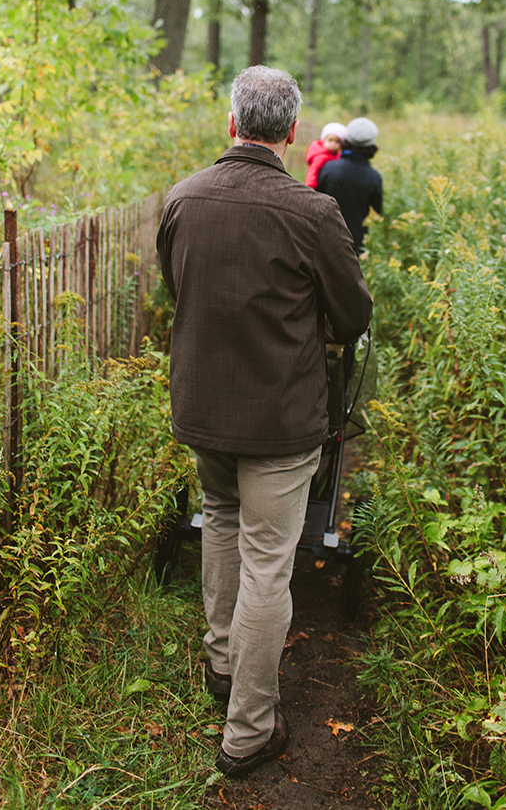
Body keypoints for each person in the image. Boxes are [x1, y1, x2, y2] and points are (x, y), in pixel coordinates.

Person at [156, 65, 373, 778]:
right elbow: (352, 315)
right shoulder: (312, 216)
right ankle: (248, 727)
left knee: (219, 518)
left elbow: (179, 290)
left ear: (232, 124)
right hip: (279, 419)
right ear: (291, 132)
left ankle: (223, 664)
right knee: (268, 564)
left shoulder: (183, 199)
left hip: (204, 407)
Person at [317, 117, 383, 254]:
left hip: (323, 239)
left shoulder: (328, 168)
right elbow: (377, 215)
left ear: (345, 141)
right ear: (371, 146)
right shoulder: (374, 177)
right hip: (356, 244)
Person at [303, 121, 347, 188]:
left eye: (337, 141)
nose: (333, 144)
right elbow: (312, 172)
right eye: (330, 140)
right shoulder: (320, 156)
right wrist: (310, 187)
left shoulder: (339, 155)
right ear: (324, 140)